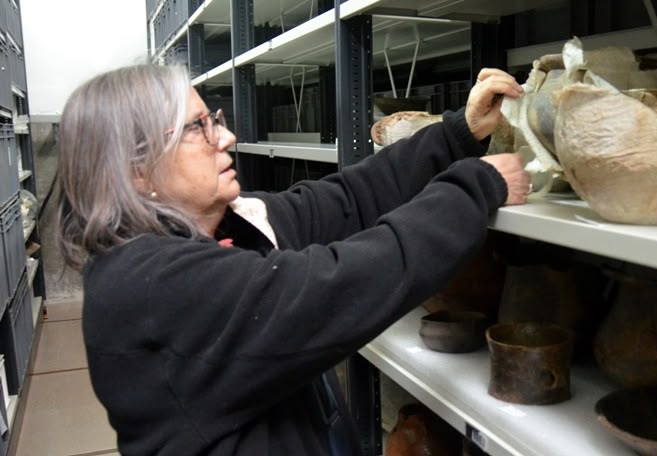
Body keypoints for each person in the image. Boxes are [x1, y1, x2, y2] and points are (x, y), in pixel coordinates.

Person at [55, 63, 529, 455]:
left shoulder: (225, 226)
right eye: (198, 128)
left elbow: (344, 200)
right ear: (137, 171)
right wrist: (473, 188)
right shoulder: (152, 285)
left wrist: (456, 135)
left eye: (214, 119)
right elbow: (339, 285)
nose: (227, 136)